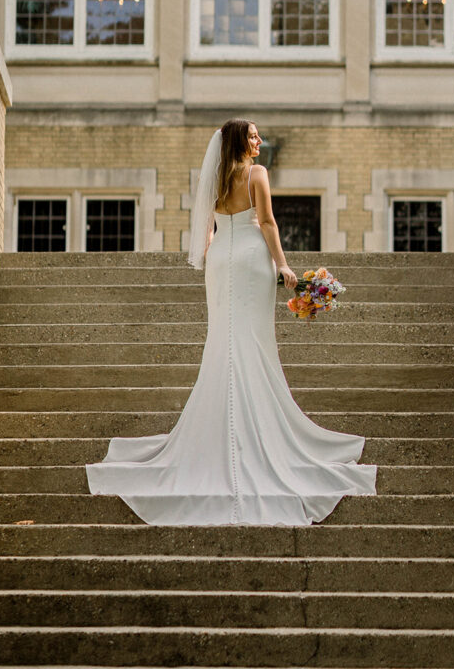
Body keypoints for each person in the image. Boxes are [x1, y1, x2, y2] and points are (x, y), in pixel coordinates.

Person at [85, 118, 377, 525]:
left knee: (224, 340)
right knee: (252, 341)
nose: (259, 141)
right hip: (252, 259)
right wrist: (284, 264)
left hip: (221, 260)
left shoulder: (217, 177)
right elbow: (268, 222)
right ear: (241, 141)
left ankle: (223, 428)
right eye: (254, 135)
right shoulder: (257, 173)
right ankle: (253, 431)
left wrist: (209, 250)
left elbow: (207, 228)